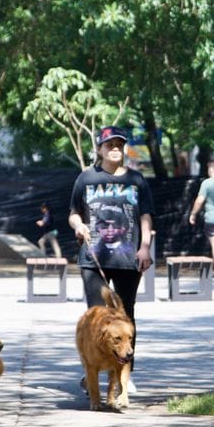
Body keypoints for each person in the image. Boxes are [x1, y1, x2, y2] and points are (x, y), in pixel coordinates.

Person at [70, 126, 154, 376]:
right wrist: (79, 225)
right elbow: (74, 213)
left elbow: (146, 216)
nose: (115, 149)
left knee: (125, 314)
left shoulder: (136, 180)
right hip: (93, 257)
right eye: (110, 145)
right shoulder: (86, 178)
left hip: (128, 258)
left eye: (119, 144)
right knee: (96, 317)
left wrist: (145, 247)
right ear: (100, 149)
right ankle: (93, 372)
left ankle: (124, 375)